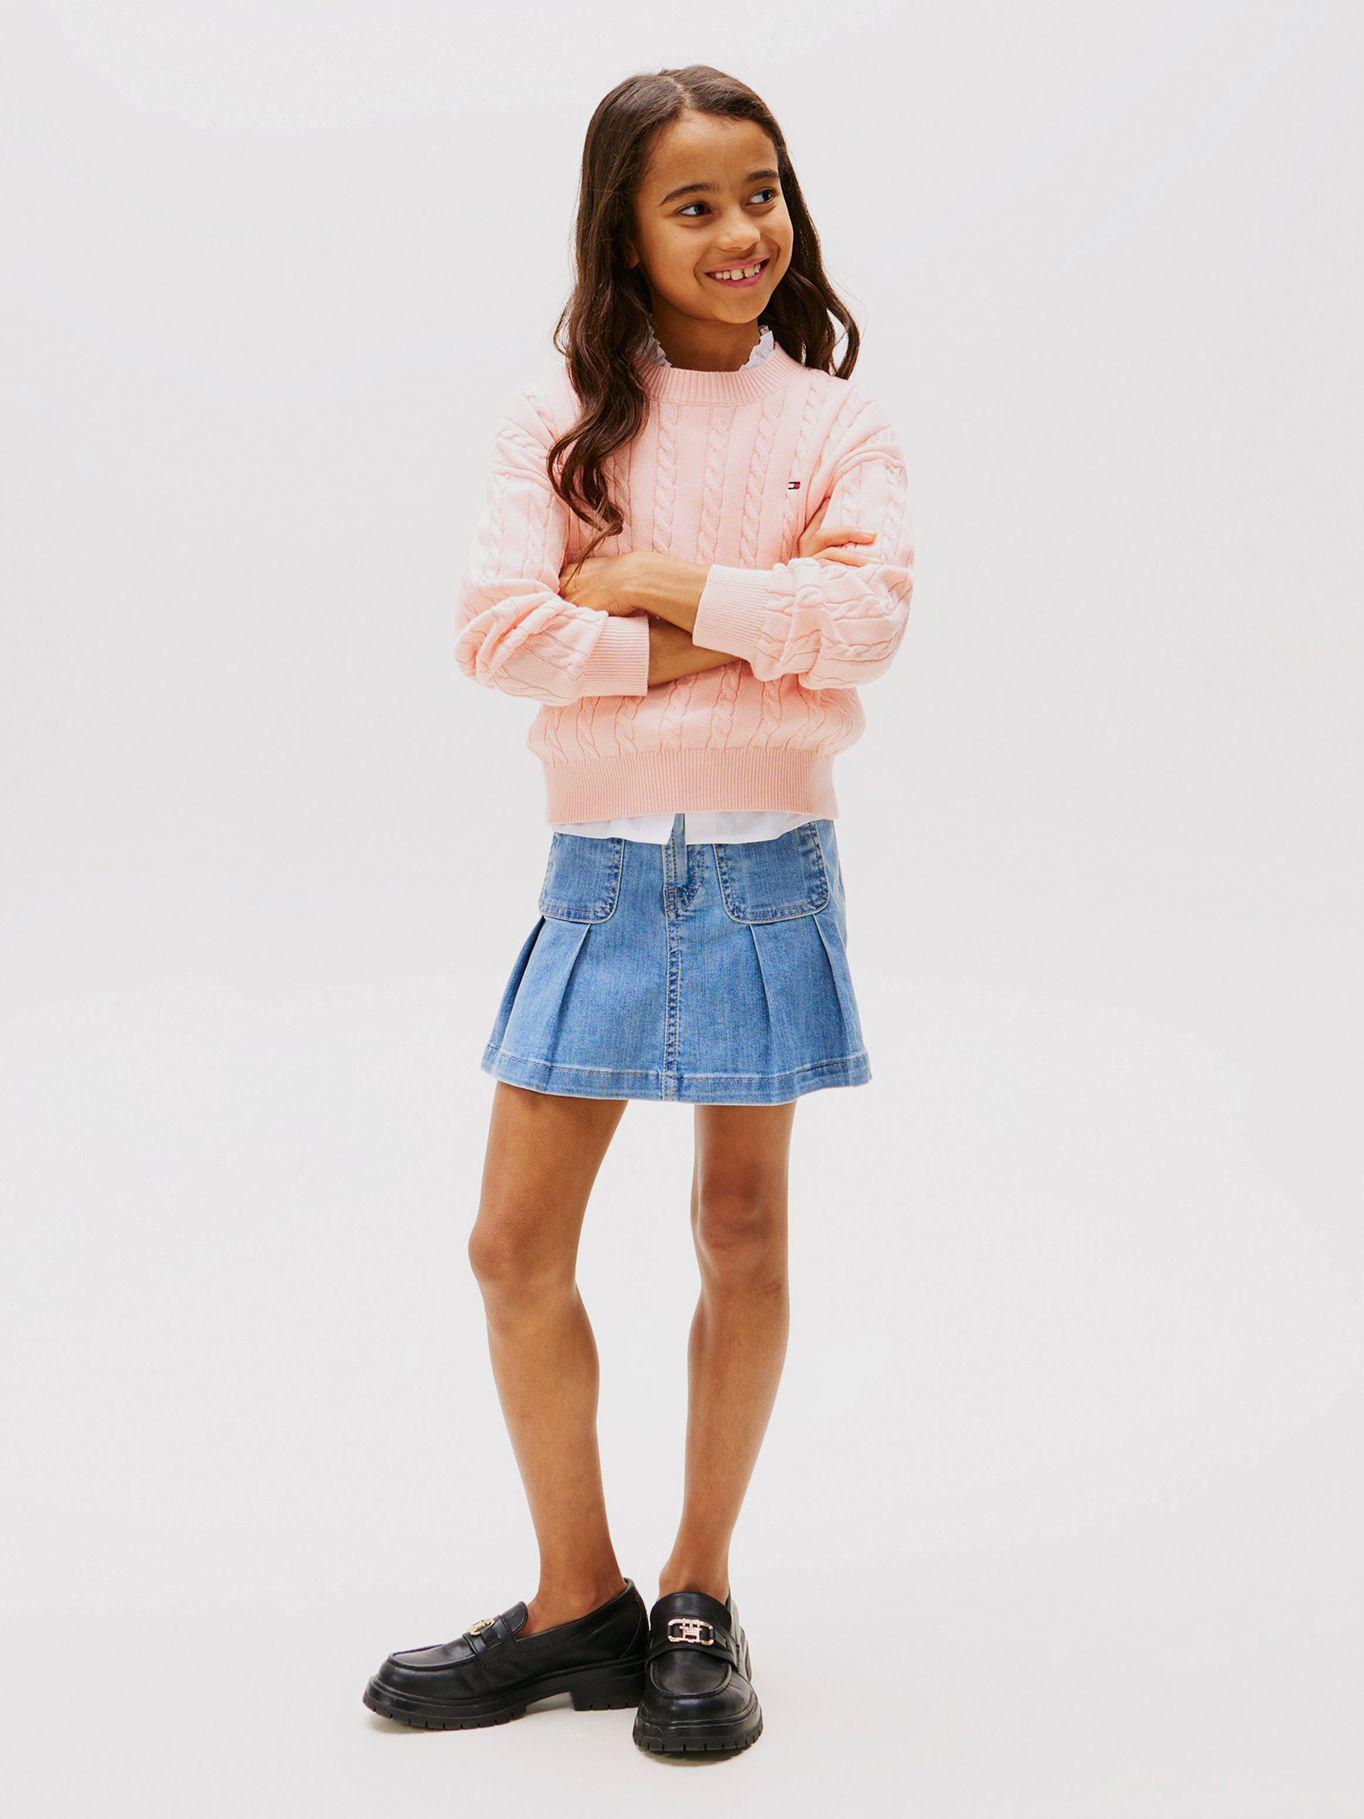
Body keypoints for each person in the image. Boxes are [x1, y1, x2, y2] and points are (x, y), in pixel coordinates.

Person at [363, 62, 915, 1759]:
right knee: (511, 1246)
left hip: (766, 866)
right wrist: (752, 624)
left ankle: (698, 1594)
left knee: (741, 1234)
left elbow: (871, 621)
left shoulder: (834, 427)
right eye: (695, 204)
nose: (743, 230)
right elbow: (496, 631)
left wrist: (654, 585)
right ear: (624, 230)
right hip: (600, 873)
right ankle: (574, 1601)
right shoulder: (559, 420)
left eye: (762, 192)